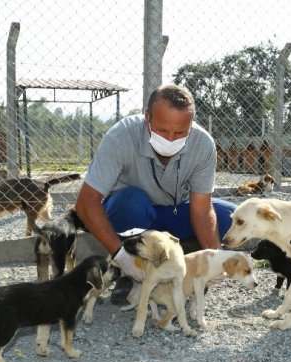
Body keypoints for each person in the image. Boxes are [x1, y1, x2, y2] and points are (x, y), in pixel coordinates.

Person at [74, 84, 237, 281]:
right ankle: (130, 265)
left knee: (231, 216)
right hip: (133, 214)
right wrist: (122, 256)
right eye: (161, 130)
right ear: (147, 117)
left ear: (191, 124)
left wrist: (215, 257)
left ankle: (178, 256)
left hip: (174, 211)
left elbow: (202, 209)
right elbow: (86, 202)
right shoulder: (121, 136)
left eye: (179, 133)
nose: (169, 139)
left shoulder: (202, 143)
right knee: (131, 201)